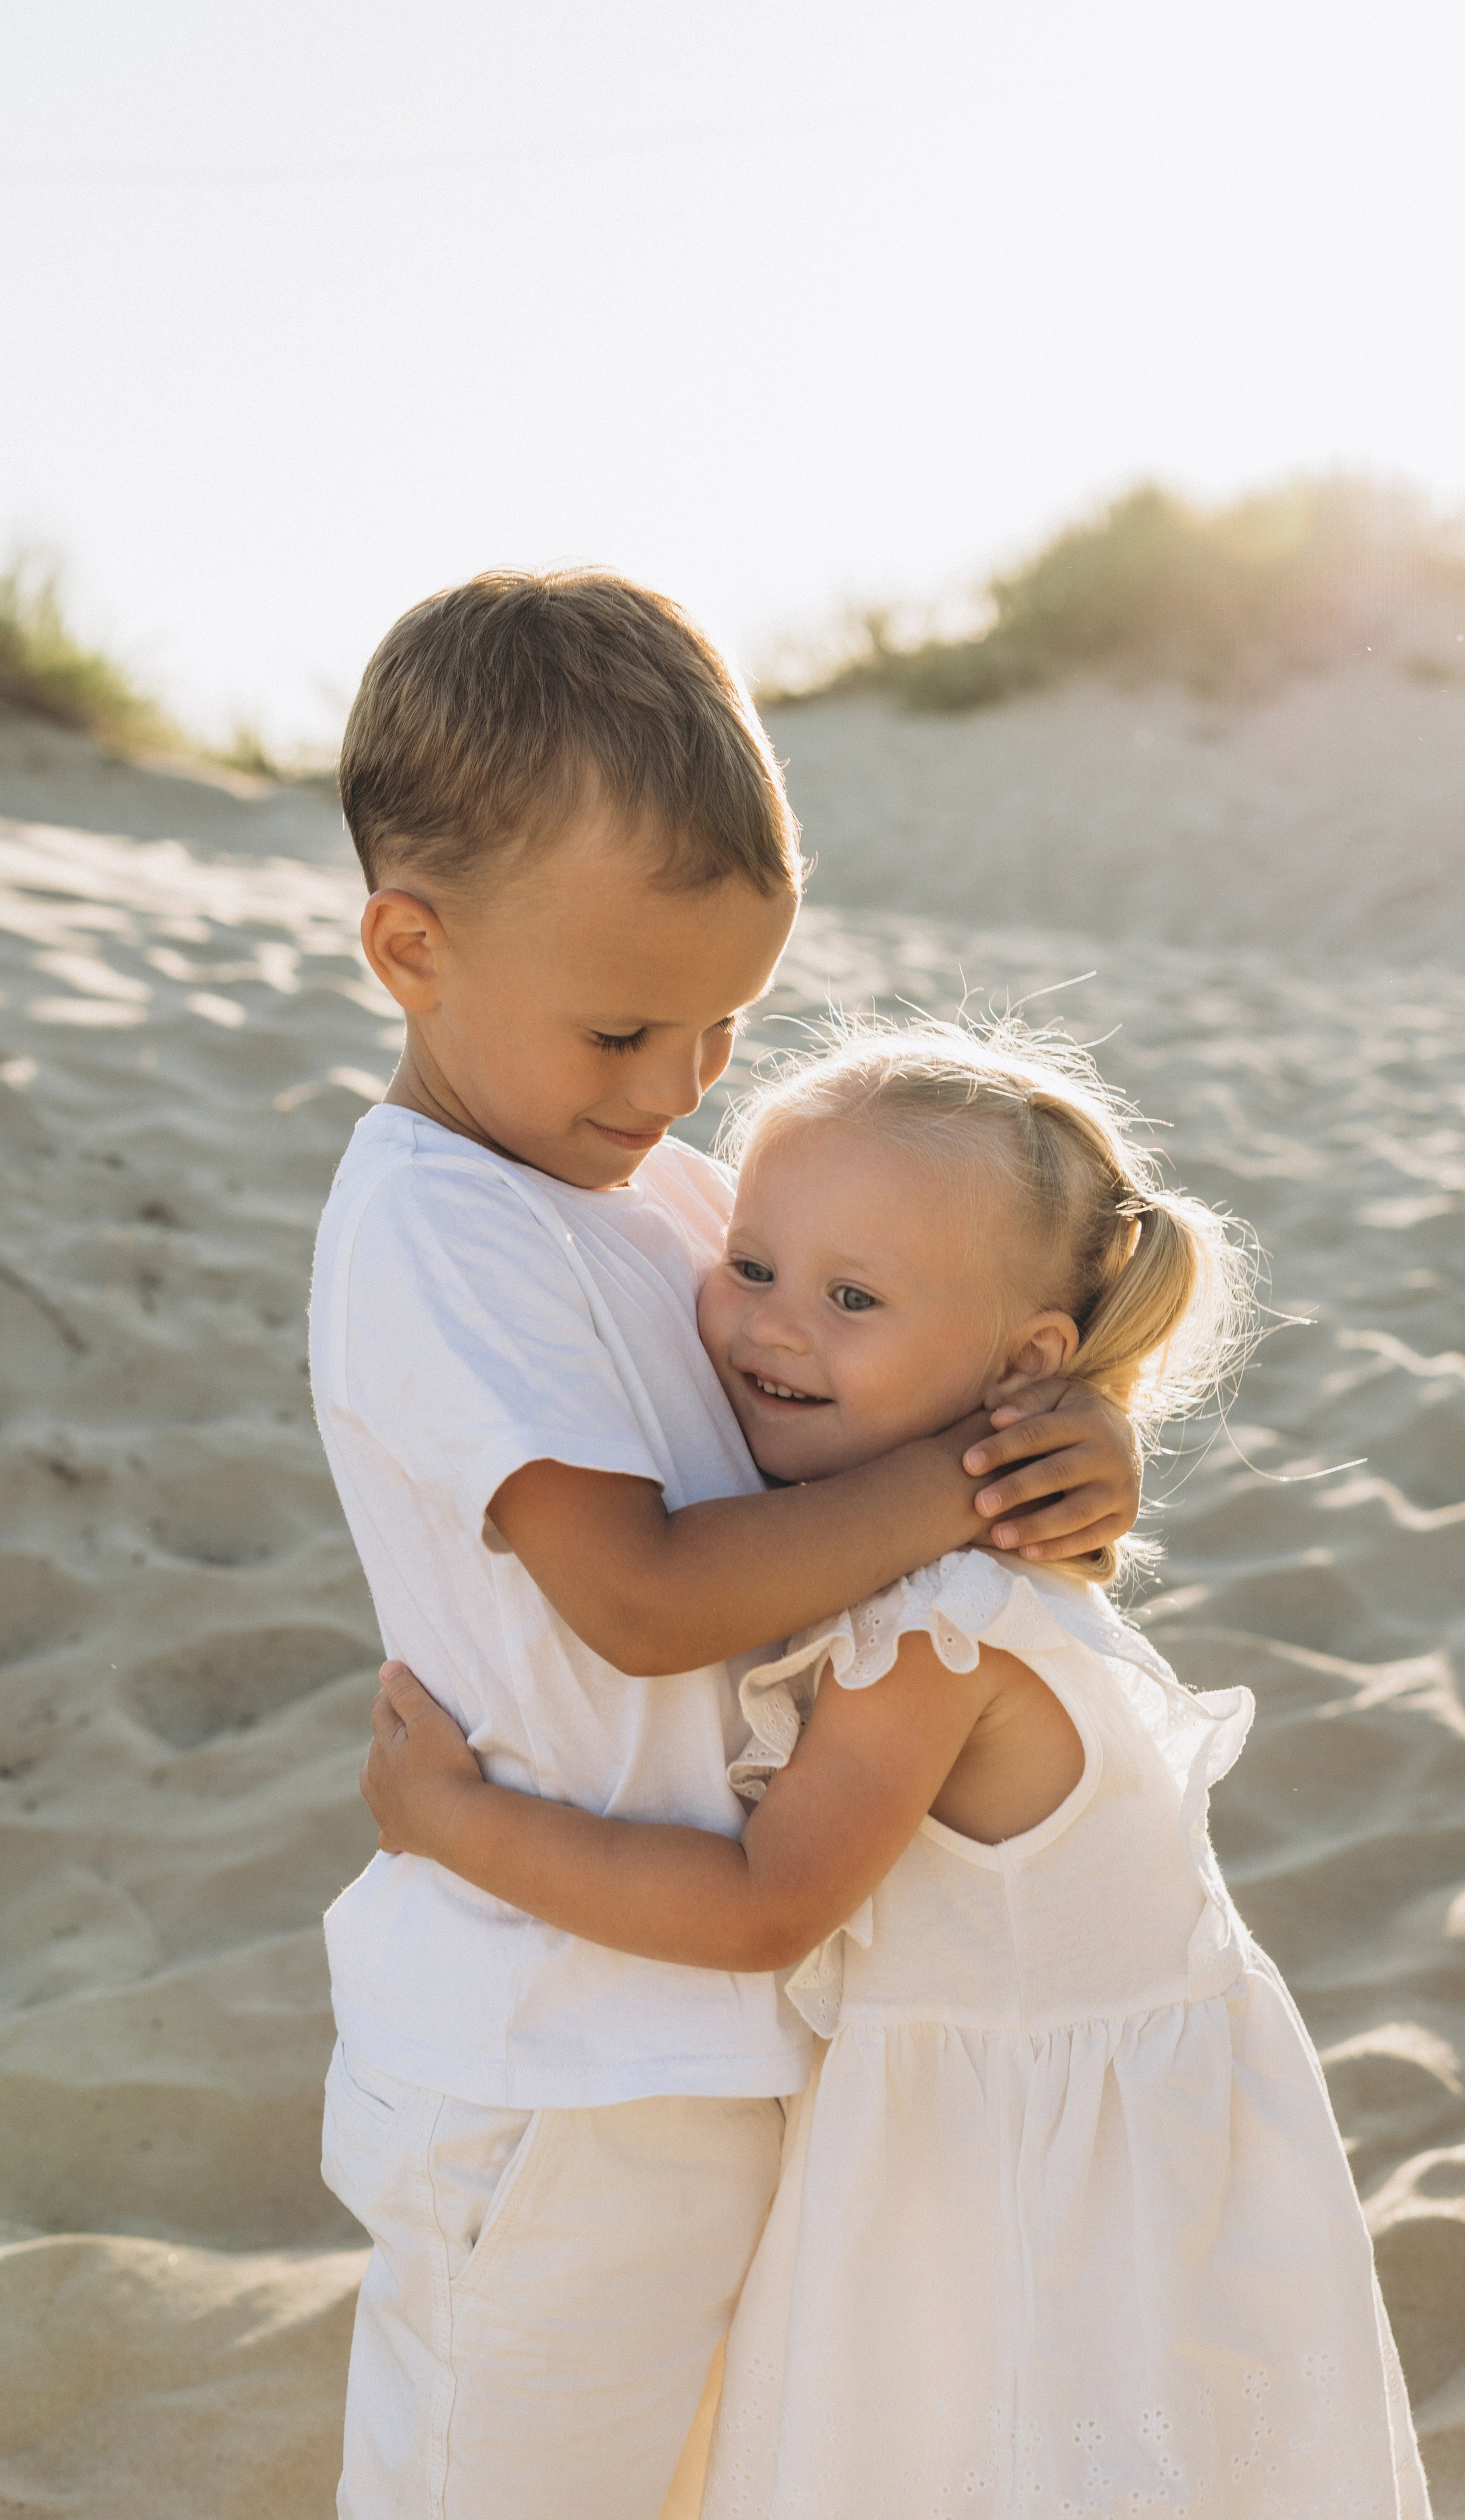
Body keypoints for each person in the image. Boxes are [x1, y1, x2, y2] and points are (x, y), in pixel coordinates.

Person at [310, 570, 1145, 2520]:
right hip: (542, 2059)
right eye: (623, 1027)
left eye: (725, 1023)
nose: (681, 1084)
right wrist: (965, 1479)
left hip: (702, 2041)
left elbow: (852, 1429)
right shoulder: (438, 1230)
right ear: (409, 948)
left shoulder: (668, 1191)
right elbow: (644, 1598)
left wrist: (1064, 1446)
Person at [362, 1018, 1432, 2520]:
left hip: (1027, 2185)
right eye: (750, 1266)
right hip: (1003, 2127)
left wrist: (457, 1822)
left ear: (1024, 1366)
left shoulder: (934, 1628)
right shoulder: (894, 1532)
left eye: (851, 1296)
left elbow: (757, 1906)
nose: (771, 1328)